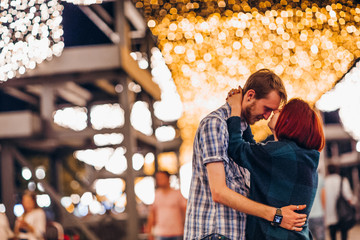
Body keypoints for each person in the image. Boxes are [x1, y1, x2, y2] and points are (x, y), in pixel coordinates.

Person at [184, 69, 307, 240]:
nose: (266, 116)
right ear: (250, 95)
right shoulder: (215, 124)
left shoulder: (242, 132)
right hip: (215, 234)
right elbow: (219, 191)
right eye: (266, 109)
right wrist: (277, 215)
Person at [226, 95, 325, 239]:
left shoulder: (280, 155)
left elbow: (236, 148)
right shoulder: (303, 157)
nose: (276, 110)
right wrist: (245, 120)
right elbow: (255, 151)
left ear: (290, 121)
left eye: (282, 110)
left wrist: (236, 109)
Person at [146, 171, 187, 240]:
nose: (159, 180)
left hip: (177, 233)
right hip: (160, 233)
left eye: (162, 178)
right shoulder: (157, 194)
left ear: (168, 179)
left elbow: (186, 212)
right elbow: (152, 214)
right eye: (158, 178)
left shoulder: (177, 194)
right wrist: (149, 233)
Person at [325, 164, 356, 240]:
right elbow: (349, 197)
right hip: (342, 214)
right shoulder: (342, 180)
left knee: (333, 235)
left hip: (329, 214)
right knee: (344, 234)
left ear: (328, 171)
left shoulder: (324, 182)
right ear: (337, 170)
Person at [308, 173, 326, 240]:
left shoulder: (302, 177)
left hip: (305, 216)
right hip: (318, 215)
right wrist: (324, 212)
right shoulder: (320, 178)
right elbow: (323, 197)